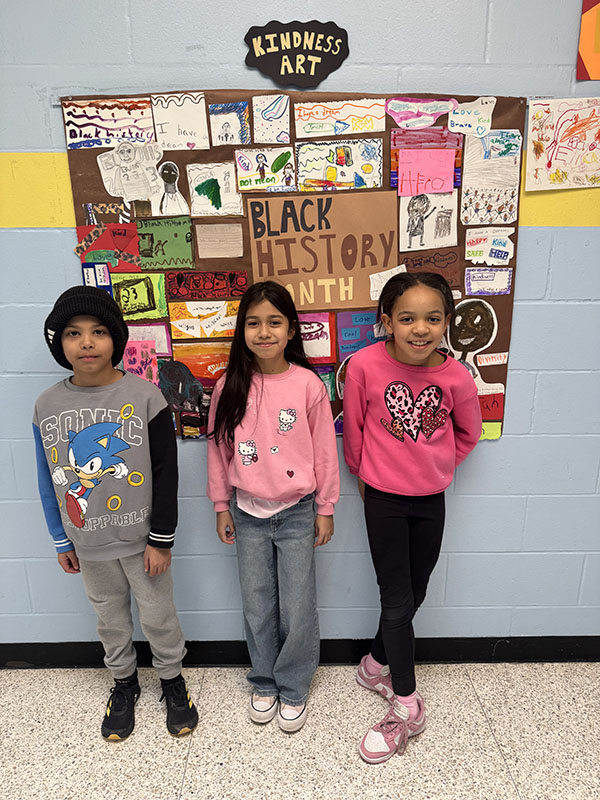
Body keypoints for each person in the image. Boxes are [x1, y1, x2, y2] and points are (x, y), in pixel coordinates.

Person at [33, 286, 198, 741]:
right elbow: (48, 477)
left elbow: (167, 474)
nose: (86, 342)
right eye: (73, 333)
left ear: (116, 339)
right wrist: (60, 539)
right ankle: (124, 683)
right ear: (59, 343)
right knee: (109, 617)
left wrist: (162, 537)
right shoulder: (47, 406)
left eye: (99, 331)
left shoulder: (146, 397)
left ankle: (172, 681)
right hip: (88, 544)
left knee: (158, 614)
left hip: (144, 542)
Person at [343, 272, 481, 764]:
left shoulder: (456, 377)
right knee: (396, 597)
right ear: (387, 322)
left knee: (416, 590)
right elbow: (354, 427)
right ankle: (406, 703)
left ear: (446, 324)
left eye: (432, 318)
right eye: (407, 318)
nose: (420, 328)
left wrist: (438, 465)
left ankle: (375, 664)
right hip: (381, 497)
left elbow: (470, 431)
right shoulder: (364, 365)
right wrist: (362, 472)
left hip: (430, 499)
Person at [207, 281, 339, 733]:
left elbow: (325, 450)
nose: (264, 332)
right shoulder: (228, 385)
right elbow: (218, 452)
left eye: (274, 322)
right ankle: (264, 680)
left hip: (299, 512)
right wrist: (221, 505)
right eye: (253, 322)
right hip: (246, 513)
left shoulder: (307, 385)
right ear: (242, 329)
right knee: (258, 602)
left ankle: (294, 683)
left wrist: (326, 507)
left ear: (291, 330)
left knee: (299, 605)